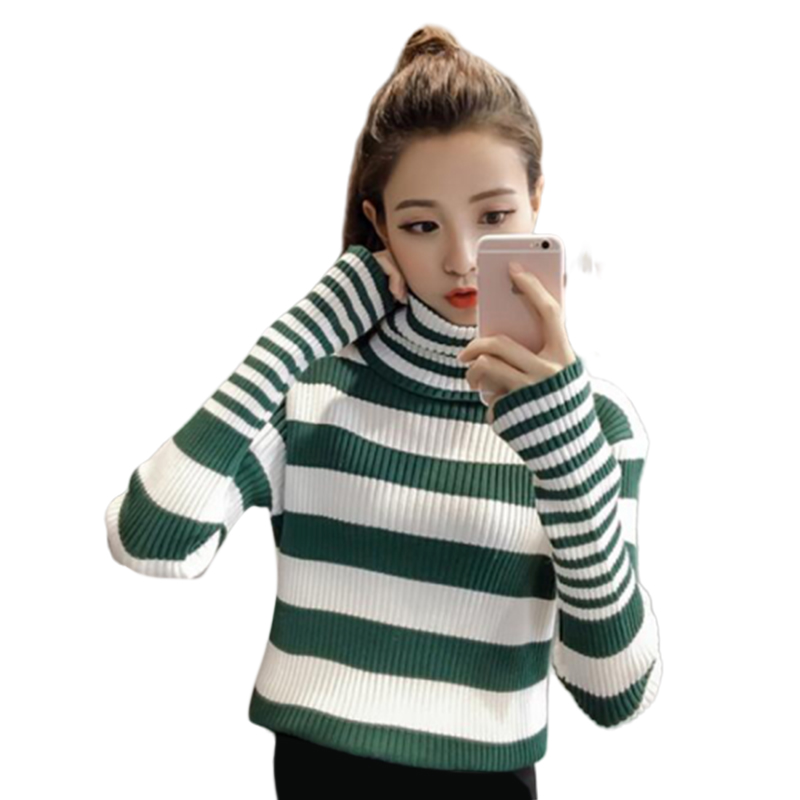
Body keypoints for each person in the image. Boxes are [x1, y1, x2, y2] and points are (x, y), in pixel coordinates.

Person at [106, 24, 662, 800]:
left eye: (495, 217)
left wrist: (566, 451)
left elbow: (615, 690)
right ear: (378, 225)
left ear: (537, 198)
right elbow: (151, 535)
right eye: (422, 225)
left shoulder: (597, 421)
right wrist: (310, 325)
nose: (461, 259)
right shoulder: (312, 386)